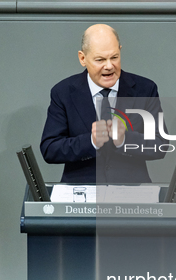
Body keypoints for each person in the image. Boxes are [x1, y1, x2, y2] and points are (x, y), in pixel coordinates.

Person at [40, 24, 167, 184]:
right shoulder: (63, 92)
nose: (109, 66)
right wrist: (91, 141)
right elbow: (50, 148)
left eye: (114, 57)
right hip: (81, 198)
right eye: (100, 60)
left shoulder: (145, 89)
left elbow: (160, 144)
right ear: (82, 58)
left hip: (132, 197)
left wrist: (124, 139)